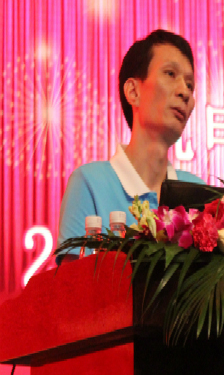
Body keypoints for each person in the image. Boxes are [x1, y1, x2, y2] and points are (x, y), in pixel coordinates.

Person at [57, 29, 204, 262]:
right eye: (170, 74)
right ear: (133, 91)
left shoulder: (198, 192)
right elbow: (72, 282)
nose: (184, 92)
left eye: (190, 85)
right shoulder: (89, 184)